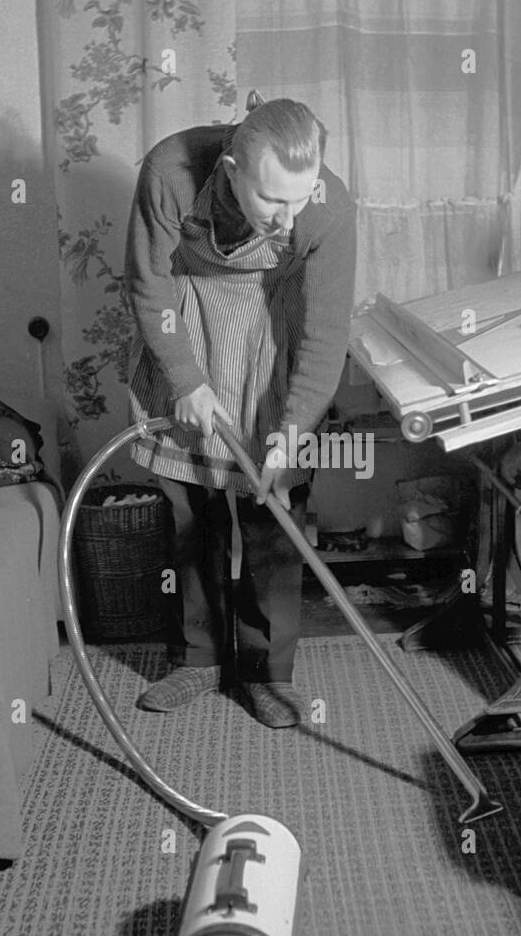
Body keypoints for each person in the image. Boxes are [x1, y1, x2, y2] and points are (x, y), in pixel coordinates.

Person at [124, 97, 357, 727]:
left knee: (272, 522)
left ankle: (264, 672)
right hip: (187, 324)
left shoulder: (327, 210)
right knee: (191, 517)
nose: (288, 218)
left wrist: (292, 428)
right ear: (229, 168)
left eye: (299, 199)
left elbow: (326, 328)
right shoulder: (170, 172)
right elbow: (148, 283)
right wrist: (185, 382)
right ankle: (196, 658)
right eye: (272, 201)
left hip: (271, 340)